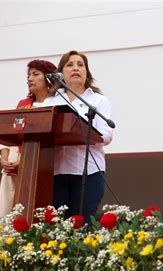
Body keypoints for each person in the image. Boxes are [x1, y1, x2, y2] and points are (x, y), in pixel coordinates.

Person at [43, 50, 113, 223]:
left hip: (89, 172)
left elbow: (106, 134)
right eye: (70, 65)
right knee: (58, 228)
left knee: (83, 226)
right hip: (56, 173)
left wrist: (79, 132)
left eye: (80, 65)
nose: (76, 68)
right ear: (61, 73)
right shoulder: (50, 102)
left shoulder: (98, 101)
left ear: (86, 72)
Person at [0, 60, 57, 217]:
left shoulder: (56, 104)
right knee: (7, 213)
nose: (29, 78)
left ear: (49, 78)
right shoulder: (23, 104)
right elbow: (9, 135)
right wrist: (4, 158)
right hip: (13, 162)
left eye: (36, 74)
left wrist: (24, 164)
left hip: (41, 164)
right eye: (28, 75)